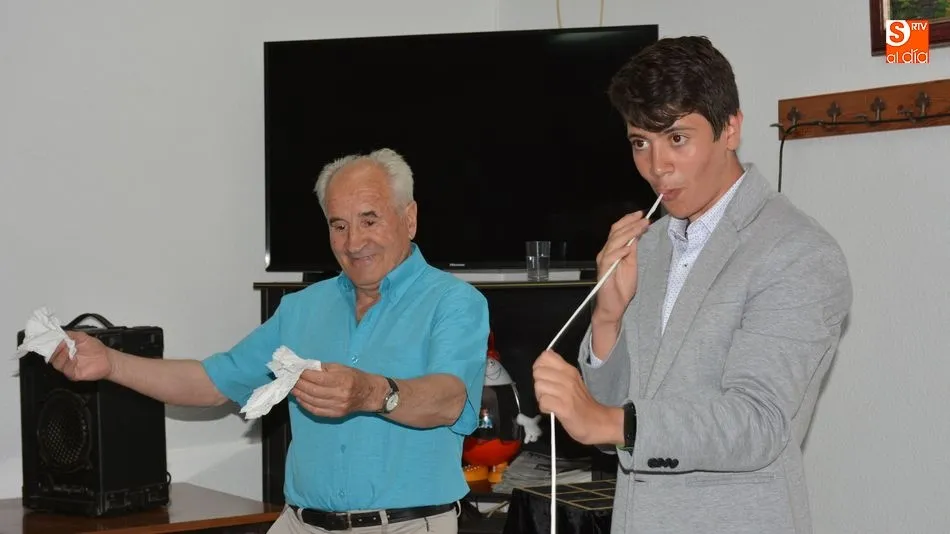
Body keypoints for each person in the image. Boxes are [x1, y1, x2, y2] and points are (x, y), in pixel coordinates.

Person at [49, 148, 490, 534]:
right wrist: (112, 363)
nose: (354, 242)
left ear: (409, 218)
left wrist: (371, 393)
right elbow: (213, 382)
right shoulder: (301, 309)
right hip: (300, 523)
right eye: (338, 225)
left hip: (406, 526)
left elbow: (449, 400)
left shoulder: (454, 302)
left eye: (369, 220)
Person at [532, 36, 852, 534]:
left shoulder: (798, 251)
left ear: (731, 129)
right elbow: (611, 426)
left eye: (677, 138)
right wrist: (607, 318)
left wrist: (610, 422)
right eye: (640, 142)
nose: (656, 166)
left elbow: (758, 423)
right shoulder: (648, 245)